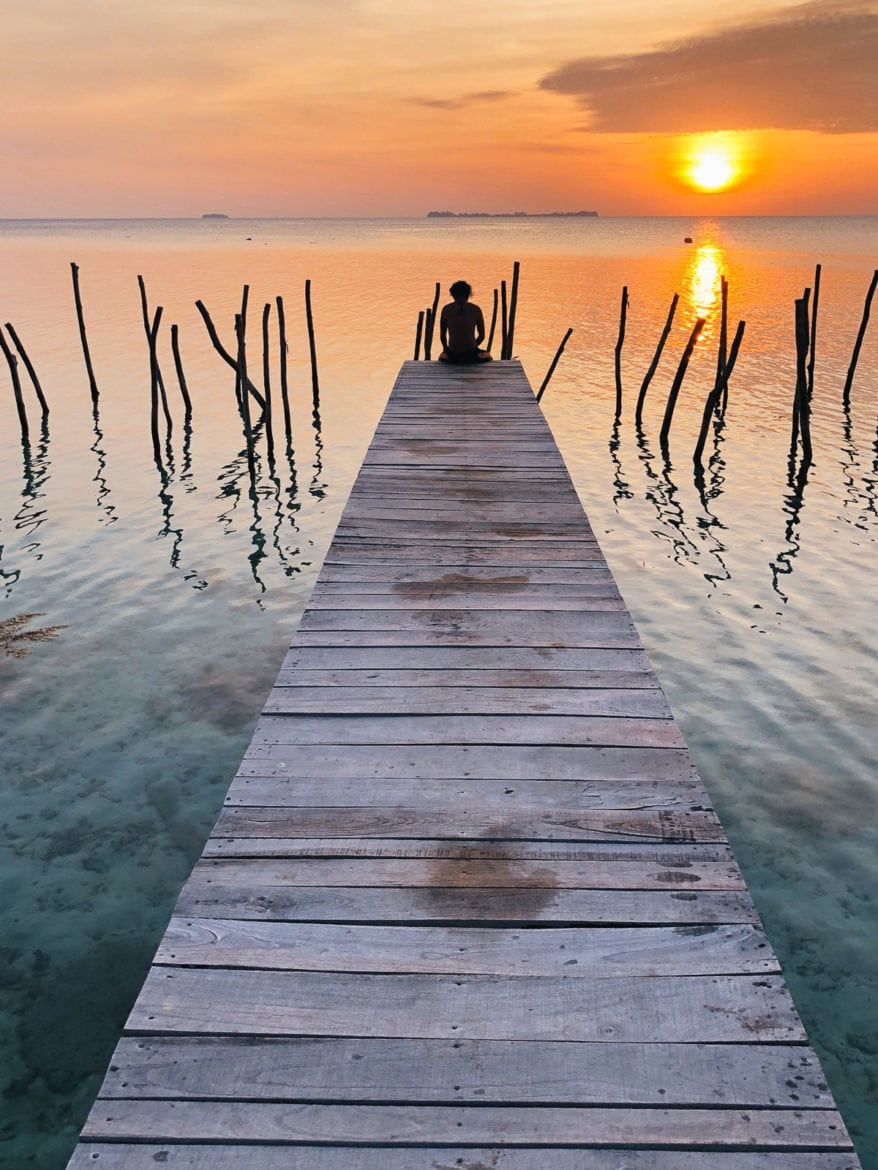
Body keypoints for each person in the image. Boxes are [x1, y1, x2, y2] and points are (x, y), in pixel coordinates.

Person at [438, 280, 493, 363]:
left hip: (453, 354)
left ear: (453, 295)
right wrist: (472, 347)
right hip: (470, 354)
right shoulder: (475, 309)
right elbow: (482, 336)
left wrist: (446, 350)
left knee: (441, 357)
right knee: (488, 356)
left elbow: (443, 336)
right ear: (468, 294)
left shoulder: (446, 309)